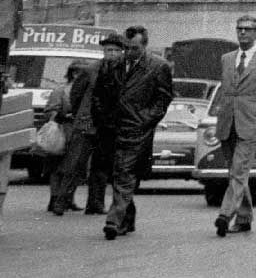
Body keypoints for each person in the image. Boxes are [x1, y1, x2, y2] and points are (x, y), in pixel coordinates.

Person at [102, 25, 173, 240]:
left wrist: (145, 119)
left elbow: (163, 98)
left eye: (133, 48)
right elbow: (102, 93)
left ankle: (113, 220)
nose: (128, 52)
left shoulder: (157, 66)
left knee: (124, 171)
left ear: (144, 45)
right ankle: (127, 216)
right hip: (115, 127)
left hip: (137, 128)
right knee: (118, 172)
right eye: (126, 47)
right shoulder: (114, 65)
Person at [211, 14, 256, 238]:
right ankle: (245, 217)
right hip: (228, 121)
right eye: (240, 29)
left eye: (248, 29)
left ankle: (225, 215)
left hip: (252, 122)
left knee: (239, 170)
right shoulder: (227, 58)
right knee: (236, 172)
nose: (243, 33)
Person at [47, 58, 100, 215]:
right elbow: (50, 110)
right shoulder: (61, 90)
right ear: (72, 73)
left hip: (78, 131)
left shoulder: (90, 90)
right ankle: (55, 198)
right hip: (63, 130)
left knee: (76, 166)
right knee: (58, 166)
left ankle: (69, 199)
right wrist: (63, 114)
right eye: (77, 71)